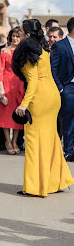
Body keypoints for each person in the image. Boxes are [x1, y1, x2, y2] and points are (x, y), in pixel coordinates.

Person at [12, 19, 74, 197]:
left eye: (23, 32)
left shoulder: (27, 53)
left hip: (39, 100)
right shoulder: (44, 49)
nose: (21, 34)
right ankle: (56, 181)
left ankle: (34, 187)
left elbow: (32, 81)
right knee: (51, 139)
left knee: (33, 142)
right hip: (53, 97)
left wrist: (24, 104)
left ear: (28, 35)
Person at [0, 27, 25, 155]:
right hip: (6, 86)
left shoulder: (24, 52)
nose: (15, 38)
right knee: (6, 116)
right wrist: (1, 89)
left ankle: (15, 141)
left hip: (19, 86)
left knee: (17, 115)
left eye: (18, 36)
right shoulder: (4, 52)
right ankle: (7, 141)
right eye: (13, 36)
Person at [51, 17, 74, 161]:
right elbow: (52, 69)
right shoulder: (60, 46)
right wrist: (61, 88)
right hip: (68, 88)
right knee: (69, 121)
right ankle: (68, 150)